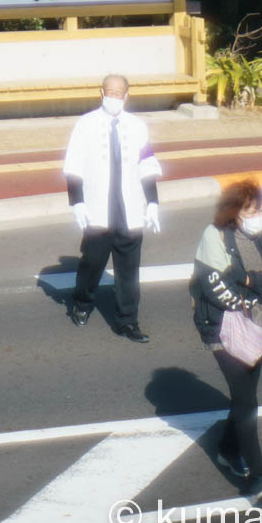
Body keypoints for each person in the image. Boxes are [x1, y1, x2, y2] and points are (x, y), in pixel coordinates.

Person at [191, 180, 262, 507]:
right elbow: (216, 286)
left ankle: (228, 448)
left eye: (260, 209)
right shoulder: (214, 236)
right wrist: (261, 283)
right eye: (250, 210)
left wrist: (250, 281)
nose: (257, 216)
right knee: (247, 401)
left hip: (258, 326)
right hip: (222, 328)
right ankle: (259, 477)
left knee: (244, 396)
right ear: (234, 212)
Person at [63, 73, 162, 341]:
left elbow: (147, 165)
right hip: (97, 208)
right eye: (109, 92)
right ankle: (82, 303)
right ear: (101, 93)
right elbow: (73, 166)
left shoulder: (137, 126)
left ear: (127, 96)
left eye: (119, 94)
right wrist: (77, 202)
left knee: (129, 271)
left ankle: (127, 321)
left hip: (129, 209)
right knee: (93, 263)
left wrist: (152, 201)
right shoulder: (86, 124)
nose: (113, 98)